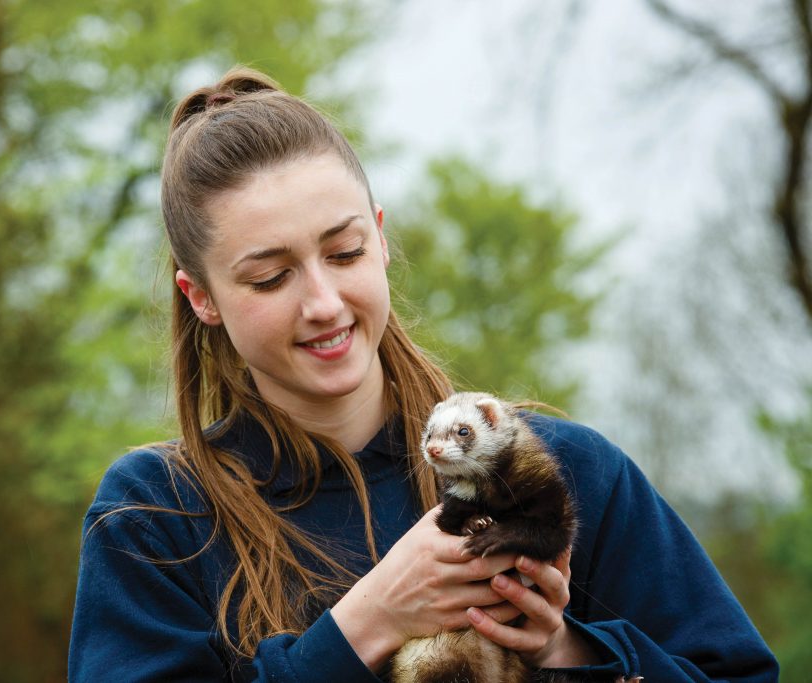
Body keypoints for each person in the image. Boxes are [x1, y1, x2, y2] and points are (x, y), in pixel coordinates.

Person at [67, 67, 778, 682]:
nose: (322, 303)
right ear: (203, 299)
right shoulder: (153, 519)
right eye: (272, 275)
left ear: (379, 236)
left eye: (344, 252)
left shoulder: (566, 476)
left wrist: (566, 648)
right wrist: (363, 625)